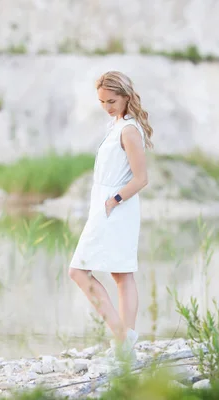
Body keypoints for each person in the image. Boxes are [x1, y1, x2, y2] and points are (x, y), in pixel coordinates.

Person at [68, 70, 153, 360]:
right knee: (120, 273)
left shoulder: (129, 130)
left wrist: (113, 201)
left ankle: (122, 336)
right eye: (103, 101)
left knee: (79, 271)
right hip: (106, 205)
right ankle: (125, 342)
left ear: (127, 96)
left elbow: (141, 178)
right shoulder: (115, 124)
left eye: (112, 101)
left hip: (116, 207)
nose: (107, 106)